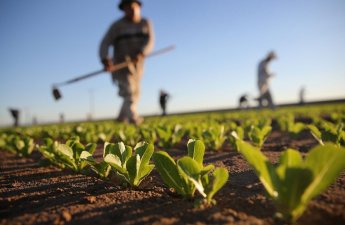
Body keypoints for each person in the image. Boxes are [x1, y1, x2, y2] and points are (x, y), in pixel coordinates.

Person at [99, 0, 154, 125]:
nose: (131, 10)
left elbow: (150, 40)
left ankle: (120, 118)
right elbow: (105, 43)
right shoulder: (117, 26)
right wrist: (105, 59)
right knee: (129, 91)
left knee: (135, 92)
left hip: (137, 65)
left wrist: (142, 52)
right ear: (123, 10)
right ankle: (133, 118)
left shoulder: (145, 23)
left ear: (139, 7)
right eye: (127, 8)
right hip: (121, 64)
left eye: (133, 7)